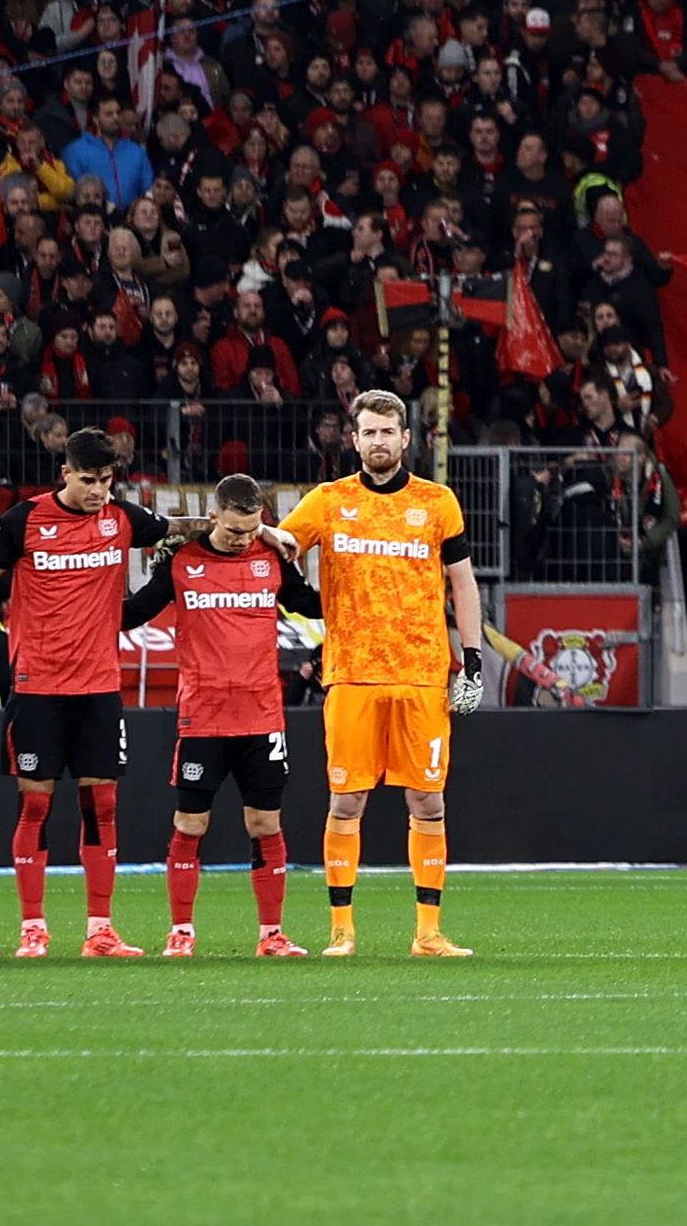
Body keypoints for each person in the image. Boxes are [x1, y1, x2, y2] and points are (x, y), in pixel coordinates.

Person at [275, 389, 479, 957]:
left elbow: (462, 583)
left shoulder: (437, 503)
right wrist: (295, 580)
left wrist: (473, 655)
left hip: (421, 675)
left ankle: (429, 933)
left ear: (406, 438)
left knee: (428, 803)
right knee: (347, 803)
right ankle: (342, 932)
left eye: (388, 432)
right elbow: (284, 547)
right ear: (355, 438)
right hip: (353, 676)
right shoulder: (329, 500)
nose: (378, 441)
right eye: (368, 432)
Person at [0, 428, 169, 955]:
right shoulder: (25, 519)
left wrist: (266, 535)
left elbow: (188, 533)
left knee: (102, 806)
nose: (99, 491)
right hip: (38, 684)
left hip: (98, 685)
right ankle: (32, 927)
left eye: (107, 481)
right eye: (89, 480)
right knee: (36, 806)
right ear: (65, 473)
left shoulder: (124, 519)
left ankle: (100, 930)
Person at [138, 475, 316, 957]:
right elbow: (135, 611)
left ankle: (271, 935)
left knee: (266, 824)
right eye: (235, 531)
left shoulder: (272, 559)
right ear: (214, 516)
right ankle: (181, 932)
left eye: (252, 530)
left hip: (262, 717)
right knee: (191, 825)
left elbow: (313, 605)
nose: (242, 540)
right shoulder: (181, 561)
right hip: (204, 717)